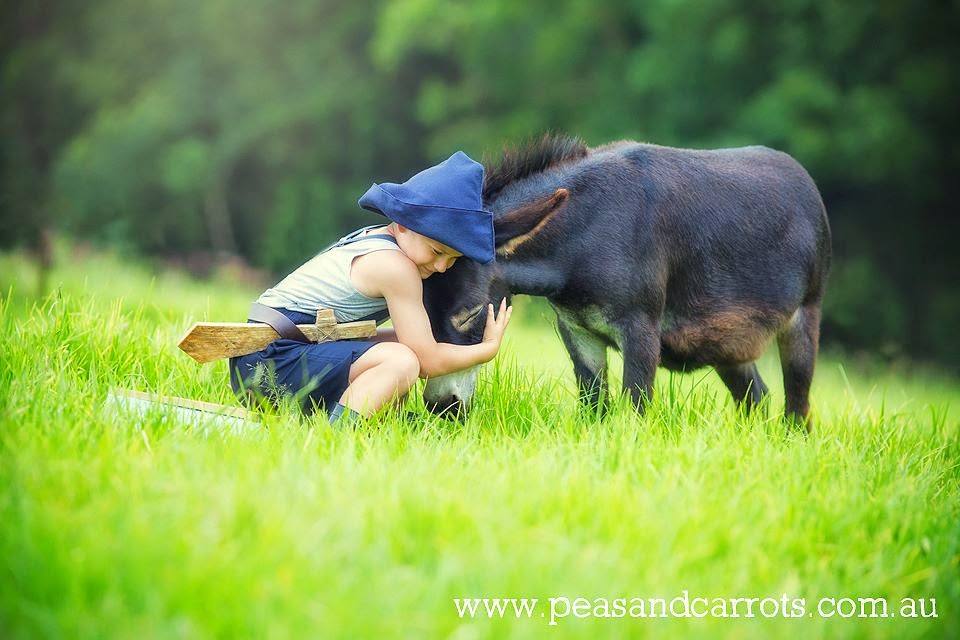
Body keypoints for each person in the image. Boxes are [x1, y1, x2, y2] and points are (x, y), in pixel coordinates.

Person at [230, 151, 512, 425]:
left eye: (452, 259)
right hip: (268, 364)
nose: (441, 266)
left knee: (403, 346)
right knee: (401, 361)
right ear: (402, 225)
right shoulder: (395, 267)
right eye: (437, 251)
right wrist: (486, 350)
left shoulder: (375, 240)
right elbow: (426, 362)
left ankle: (378, 423)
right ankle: (335, 435)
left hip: (274, 356)